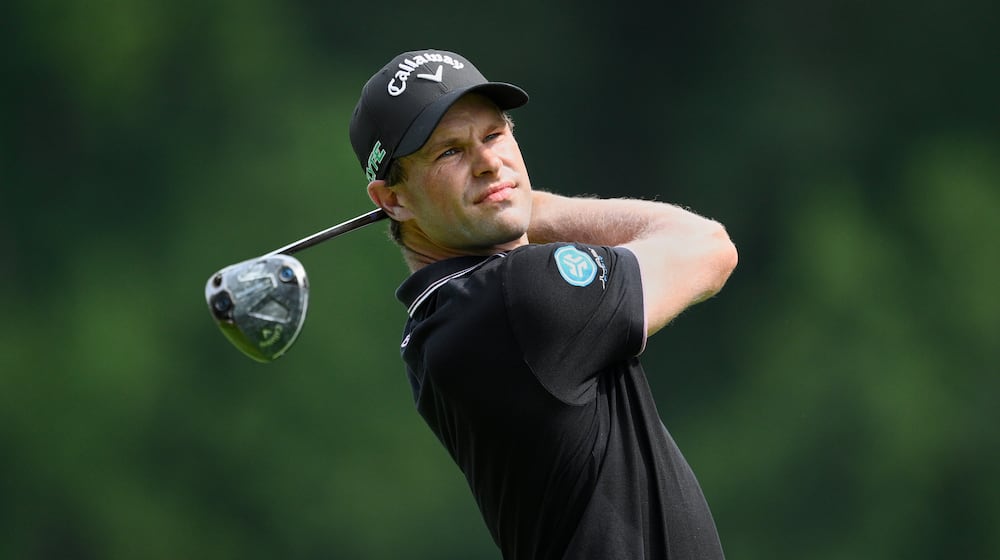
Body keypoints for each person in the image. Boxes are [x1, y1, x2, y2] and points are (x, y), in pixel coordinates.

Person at [349, 49, 737, 560]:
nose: (489, 162)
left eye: (493, 135)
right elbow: (708, 247)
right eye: (450, 153)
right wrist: (532, 205)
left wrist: (512, 205)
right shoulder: (518, 297)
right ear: (393, 200)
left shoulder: (439, 323)